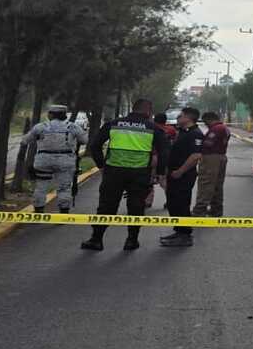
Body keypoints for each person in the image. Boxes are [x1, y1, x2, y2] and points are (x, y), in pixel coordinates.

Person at [82, 98, 169, 251]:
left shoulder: (113, 124)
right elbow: (164, 153)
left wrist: (101, 165)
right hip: (139, 173)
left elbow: (95, 145)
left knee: (106, 206)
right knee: (136, 207)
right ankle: (131, 240)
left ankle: (96, 240)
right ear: (148, 111)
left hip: (114, 172)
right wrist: (160, 173)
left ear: (133, 108)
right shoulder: (153, 128)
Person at [20, 104, 87, 213]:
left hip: (43, 161)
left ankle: (38, 210)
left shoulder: (41, 127)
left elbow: (24, 141)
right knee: (64, 187)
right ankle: (63, 211)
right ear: (64, 115)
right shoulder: (73, 127)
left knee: (41, 186)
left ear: (51, 114)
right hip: (65, 161)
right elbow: (84, 140)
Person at [159, 107, 204, 247]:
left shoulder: (195, 134)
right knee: (173, 204)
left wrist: (180, 171)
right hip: (174, 174)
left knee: (181, 204)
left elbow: (196, 155)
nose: (178, 118)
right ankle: (178, 231)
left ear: (188, 118)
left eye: (181, 116)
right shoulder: (184, 132)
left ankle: (185, 235)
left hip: (183, 175)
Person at [191, 111, 230, 218]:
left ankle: (199, 211)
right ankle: (216, 210)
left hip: (211, 158)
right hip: (221, 156)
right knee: (217, 185)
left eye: (205, 122)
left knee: (206, 184)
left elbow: (208, 143)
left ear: (209, 119)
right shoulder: (224, 128)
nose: (206, 124)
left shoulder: (216, 129)